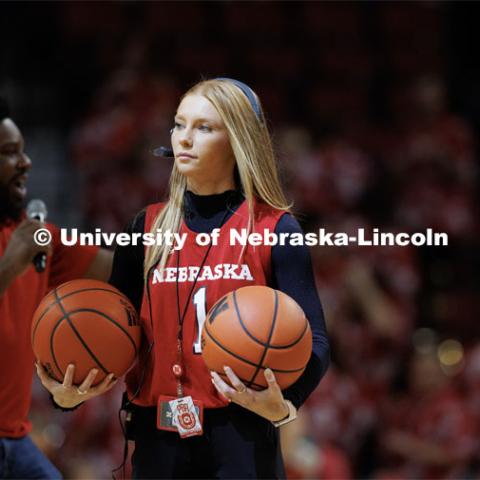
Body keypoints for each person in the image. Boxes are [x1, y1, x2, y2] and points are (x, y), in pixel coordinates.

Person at [37, 78, 330, 479]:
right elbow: (111, 338)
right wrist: (67, 395)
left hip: (242, 432)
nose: (184, 138)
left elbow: (316, 339)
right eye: (179, 124)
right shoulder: (144, 228)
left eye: (204, 128)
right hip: (158, 440)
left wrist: (286, 404)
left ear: (238, 140)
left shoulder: (276, 228)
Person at [0, 96, 114, 479]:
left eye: (24, 152)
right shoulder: (21, 247)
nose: (26, 163)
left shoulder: (34, 236)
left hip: (14, 439)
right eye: (10, 153)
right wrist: (10, 264)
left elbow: (127, 269)